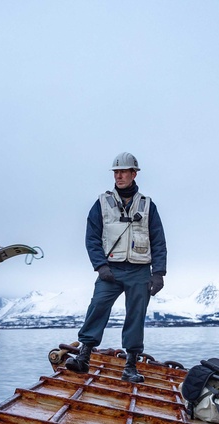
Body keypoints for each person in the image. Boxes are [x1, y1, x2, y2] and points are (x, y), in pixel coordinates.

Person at [65, 152, 167, 383]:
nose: (118, 176)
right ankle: (83, 357)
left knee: (136, 316)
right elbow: (92, 237)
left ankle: (130, 366)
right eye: (116, 172)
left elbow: (158, 240)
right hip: (110, 270)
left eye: (123, 172)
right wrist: (101, 266)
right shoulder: (101, 203)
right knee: (98, 307)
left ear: (134, 173)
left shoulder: (148, 205)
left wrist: (158, 273)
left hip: (140, 270)